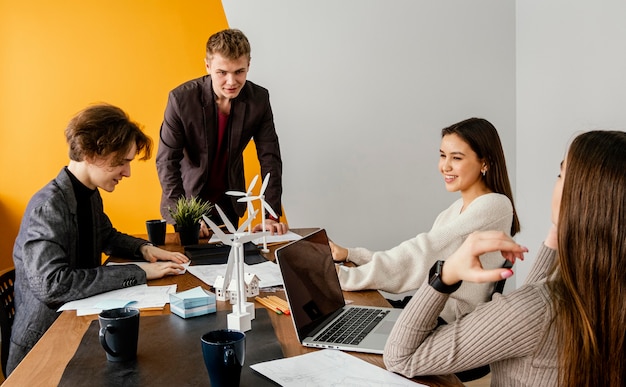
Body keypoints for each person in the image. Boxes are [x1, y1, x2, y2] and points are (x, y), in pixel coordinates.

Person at [384, 130, 625, 386]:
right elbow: (541, 300)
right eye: (443, 155)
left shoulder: (535, 311)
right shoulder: (602, 299)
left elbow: (400, 357)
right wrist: (559, 232)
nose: (445, 165)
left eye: (560, 174)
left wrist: (445, 273)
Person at [7, 104, 189, 375]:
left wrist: (146, 248)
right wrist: (139, 272)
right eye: (122, 162)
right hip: (43, 349)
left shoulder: (89, 193)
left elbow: (106, 236)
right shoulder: (47, 208)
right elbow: (53, 285)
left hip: (80, 327)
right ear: (92, 154)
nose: (127, 172)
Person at [330, 117, 520, 322]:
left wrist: (343, 277)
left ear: (485, 162)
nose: (445, 166)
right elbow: (415, 256)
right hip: (426, 309)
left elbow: (423, 254)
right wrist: (353, 255)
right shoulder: (456, 210)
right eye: (442, 155)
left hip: (443, 323)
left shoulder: (494, 205)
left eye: (456, 158)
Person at [156, 28, 287, 237]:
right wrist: (184, 217)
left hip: (230, 202)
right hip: (187, 201)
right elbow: (166, 161)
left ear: (248, 66)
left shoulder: (259, 99)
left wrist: (270, 215)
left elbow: (270, 157)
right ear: (208, 66)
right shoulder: (181, 100)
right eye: (222, 72)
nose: (231, 82)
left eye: (239, 72)